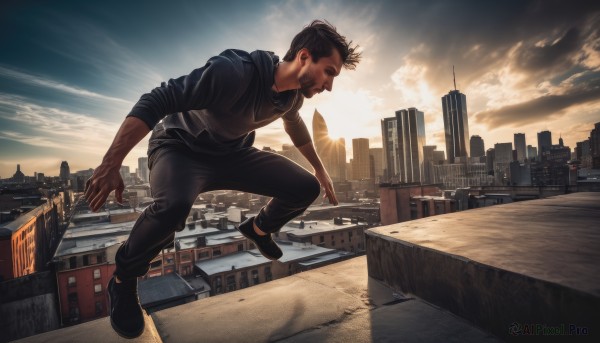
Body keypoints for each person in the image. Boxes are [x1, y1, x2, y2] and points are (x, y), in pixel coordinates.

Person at [84, 19, 360, 339]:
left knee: (305, 187)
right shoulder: (233, 72)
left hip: (230, 155)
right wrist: (111, 162)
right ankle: (122, 281)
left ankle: (258, 228)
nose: (329, 85)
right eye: (329, 72)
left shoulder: (293, 96)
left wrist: (320, 169)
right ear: (303, 57)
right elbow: (157, 99)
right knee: (174, 207)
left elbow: (294, 124)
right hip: (179, 149)